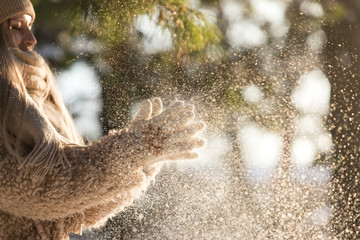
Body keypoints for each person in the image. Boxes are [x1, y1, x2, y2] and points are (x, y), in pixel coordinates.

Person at [0, 0, 206, 239]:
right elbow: (47, 192)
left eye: (29, 26)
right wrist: (131, 149)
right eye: (16, 27)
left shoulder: (38, 107)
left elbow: (78, 213)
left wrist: (142, 163)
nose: (31, 39)